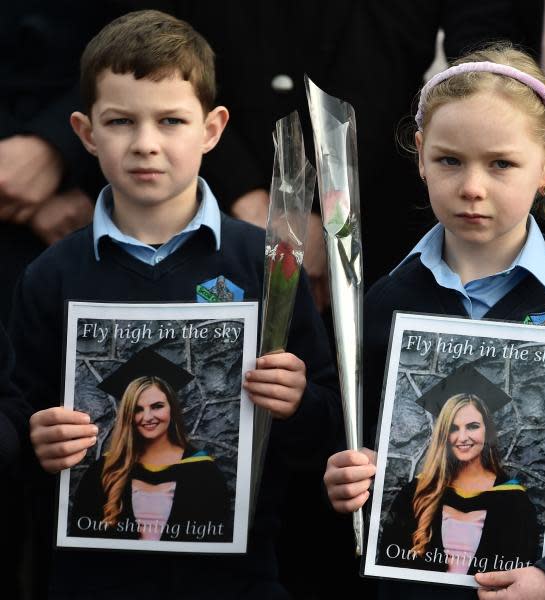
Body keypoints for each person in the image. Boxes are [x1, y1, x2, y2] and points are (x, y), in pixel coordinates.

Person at [10, 10, 339, 597]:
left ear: (212, 129)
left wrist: (298, 401)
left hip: (238, 578)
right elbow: (20, 416)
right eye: (120, 121)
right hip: (91, 581)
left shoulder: (267, 266)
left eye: (170, 120)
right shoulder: (52, 275)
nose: (145, 144)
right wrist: (38, 441)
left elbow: (332, 430)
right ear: (85, 133)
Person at [324, 43, 545, 599]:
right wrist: (345, 476)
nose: (473, 186)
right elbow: (356, 442)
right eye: (450, 160)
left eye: (501, 163)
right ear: (421, 156)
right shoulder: (382, 303)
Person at [379, 365, 539, 575]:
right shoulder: (416, 493)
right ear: (443, 435)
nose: (462, 437)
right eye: (454, 428)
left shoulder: (514, 500)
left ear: (486, 430)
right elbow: (390, 566)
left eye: (472, 426)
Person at [68, 349, 230, 543]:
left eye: (157, 406)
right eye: (137, 409)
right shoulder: (103, 471)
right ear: (128, 415)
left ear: (172, 409)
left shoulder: (204, 471)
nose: (147, 417)